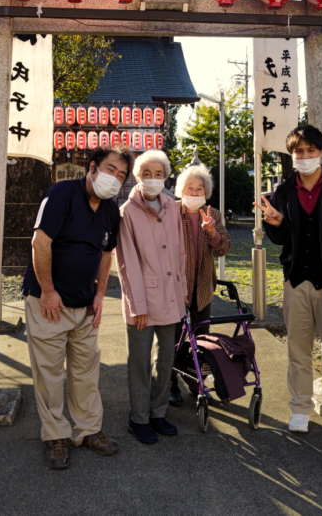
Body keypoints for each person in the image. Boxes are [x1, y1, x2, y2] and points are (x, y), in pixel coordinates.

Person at [21, 146, 133, 470]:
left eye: (122, 175)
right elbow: (40, 243)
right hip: (49, 302)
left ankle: (88, 430)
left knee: (86, 371)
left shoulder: (112, 210)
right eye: (111, 169)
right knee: (50, 375)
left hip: (85, 304)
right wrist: (48, 291)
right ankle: (56, 435)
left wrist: (99, 295)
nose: (115, 178)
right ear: (93, 167)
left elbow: (105, 254)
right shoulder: (61, 194)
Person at [254, 125, 322, 439]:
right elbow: (282, 239)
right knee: (297, 350)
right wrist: (275, 224)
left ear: (321, 152)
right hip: (296, 280)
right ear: (292, 155)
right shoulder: (282, 192)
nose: (305, 156)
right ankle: (300, 409)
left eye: (311, 150)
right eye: (299, 151)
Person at [116, 150, 186, 444]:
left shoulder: (173, 206)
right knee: (140, 361)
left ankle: (159, 413)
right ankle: (139, 417)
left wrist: (182, 292)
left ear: (166, 177)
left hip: (171, 297)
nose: (153, 179)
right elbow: (126, 263)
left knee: (166, 358)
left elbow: (180, 252)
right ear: (138, 177)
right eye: (147, 174)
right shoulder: (127, 211)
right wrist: (137, 305)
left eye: (159, 174)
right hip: (142, 299)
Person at [169, 163, 232, 406]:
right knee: (172, 341)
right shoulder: (171, 211)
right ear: (180, 189)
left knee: (201, 340)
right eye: (190, 187)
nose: (194, 192)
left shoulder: (213, 214)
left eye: (199, 188)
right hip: (175, 289)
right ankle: (170, 384)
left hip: (203, 288)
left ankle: (196, 383)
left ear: (206, 192)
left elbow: (223, 248)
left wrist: (213, 233)